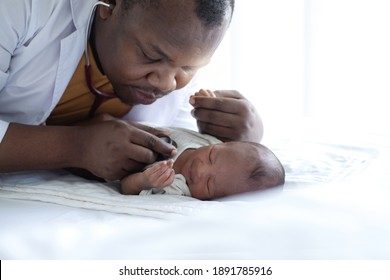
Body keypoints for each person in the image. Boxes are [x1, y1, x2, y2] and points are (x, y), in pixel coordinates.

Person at [0, 0, 263, 182]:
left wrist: (240, 139)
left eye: (188, 67)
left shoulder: (177, 77)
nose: (167, 84)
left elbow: (188, 158)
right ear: (110, 5)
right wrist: (74, 146)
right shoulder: (22, 9)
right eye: (150, 56)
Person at [120, 126, 285, 200]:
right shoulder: (208, 140)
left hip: (116, 153)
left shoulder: (176, 186)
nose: (200, 170)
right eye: (212, 156)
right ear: (221, 144)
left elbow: (126, 187)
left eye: (208, 184)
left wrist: (143, 181)